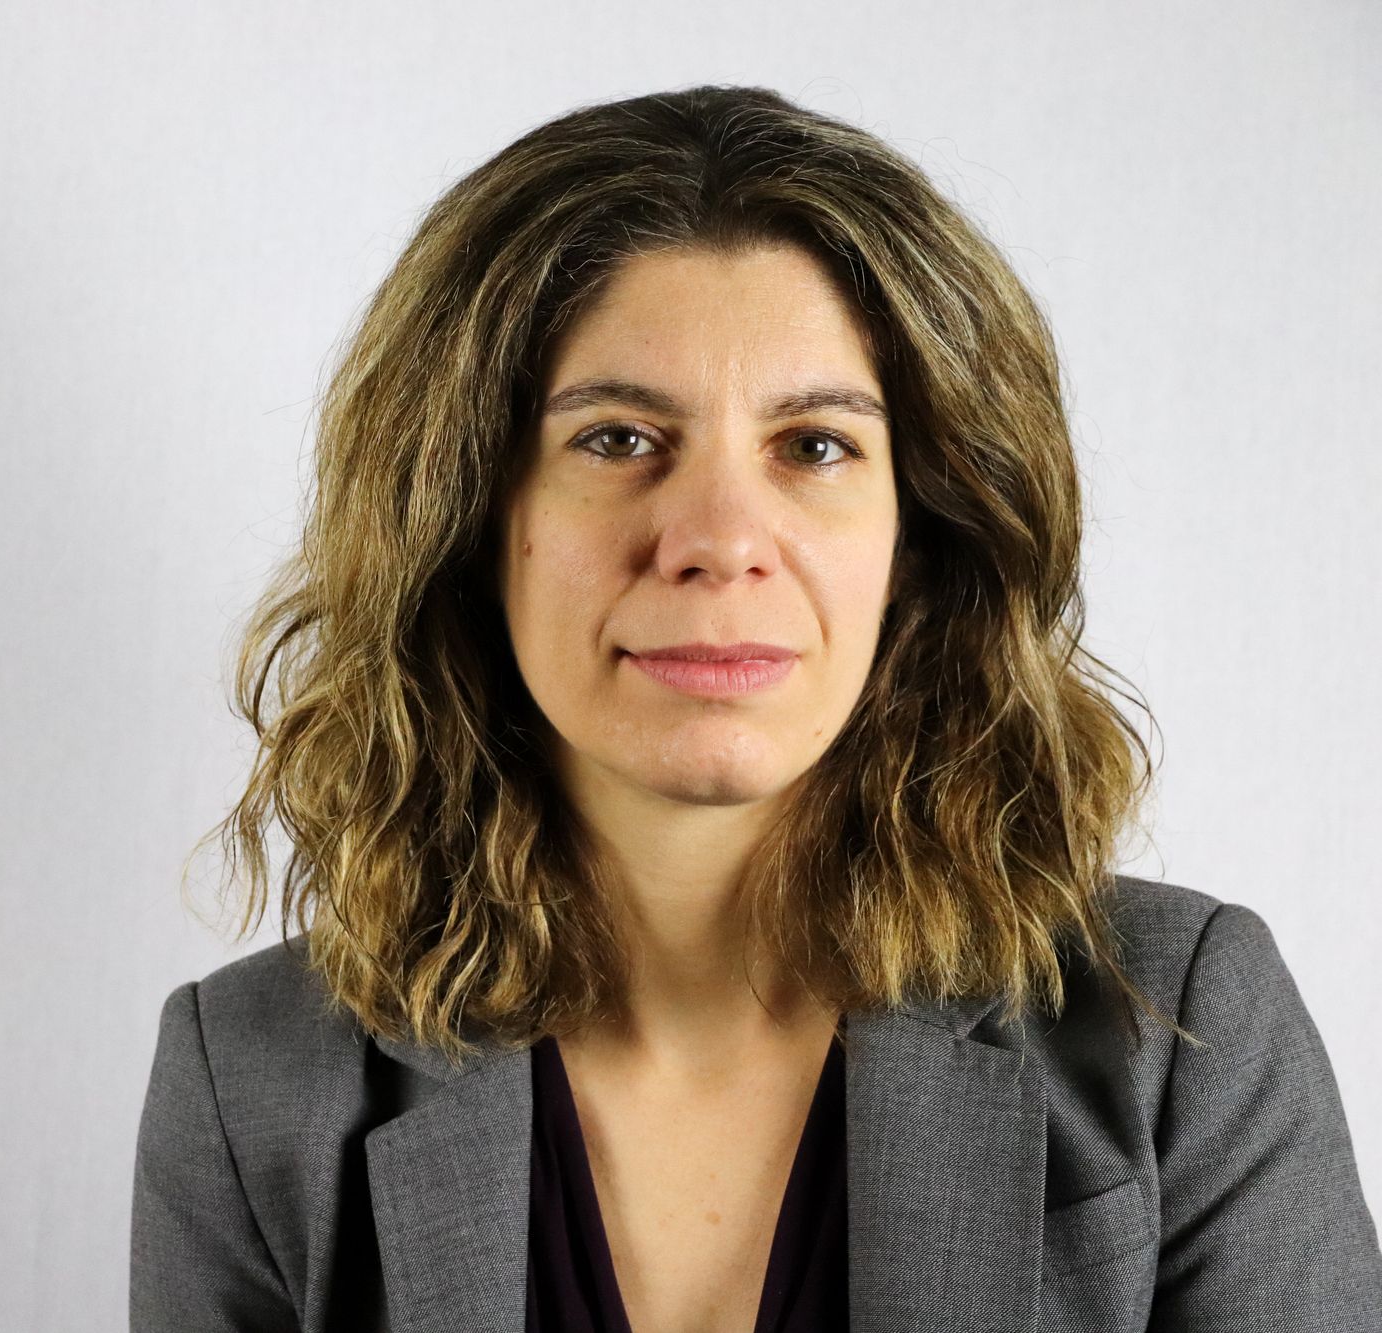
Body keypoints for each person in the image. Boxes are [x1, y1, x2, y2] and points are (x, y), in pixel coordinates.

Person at [128, 84, 1382, 1332]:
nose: (720, 539)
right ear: (466, 516)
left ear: (918, 536)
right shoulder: (247, 1082)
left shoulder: (1181, 1035)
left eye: (815, 445)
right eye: (617, 439)